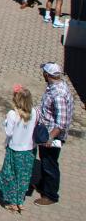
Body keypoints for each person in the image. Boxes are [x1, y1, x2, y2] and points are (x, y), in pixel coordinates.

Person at [32, 62, 74, 207]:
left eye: (44, 72)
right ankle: (43, 185)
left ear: (48, 75)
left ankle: (50, 195)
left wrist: (49, 138)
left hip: (52, 136)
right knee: (45, 161)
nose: (42, 74)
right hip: (46, 131)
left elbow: (61, 123)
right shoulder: (55, 86)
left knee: (50, 164)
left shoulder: (59, 94)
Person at [0, 85, 38, 213]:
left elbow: (9, 132)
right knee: (23, 177)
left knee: (10, 176)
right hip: (29, 151)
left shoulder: (12, 114)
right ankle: (20, 201)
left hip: (15, 150)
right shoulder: (34, 112)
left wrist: (5, 122)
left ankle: (13, 202)